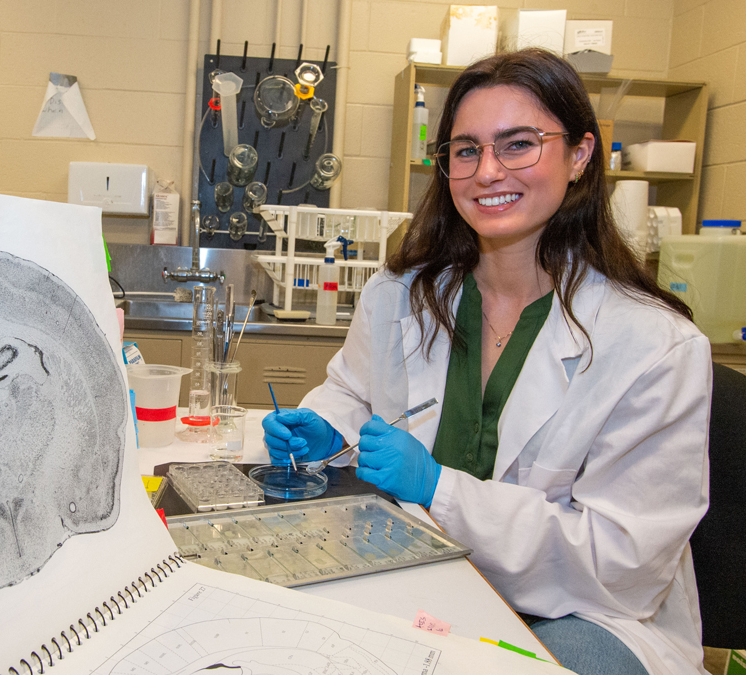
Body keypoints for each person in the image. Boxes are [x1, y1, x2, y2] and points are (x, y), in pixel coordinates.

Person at [262, 49, 710, 675]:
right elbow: (354, 393)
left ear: (580, 155)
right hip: (417, 575)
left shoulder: (654, 345)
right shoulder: (400, 297)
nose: (488, 171)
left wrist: (439, 489)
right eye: (465, 151)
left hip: (585, 613)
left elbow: (623, 563)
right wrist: (328, 430)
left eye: (519, 144)